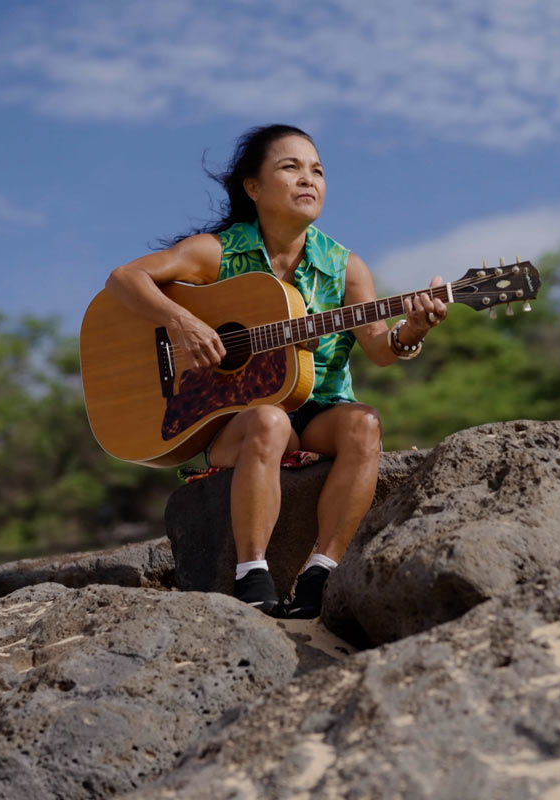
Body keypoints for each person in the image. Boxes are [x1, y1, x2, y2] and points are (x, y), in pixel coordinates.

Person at [105, 124, 447, 618]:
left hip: (318, 413)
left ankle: (321, 571)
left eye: (318, 171)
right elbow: (125, 278)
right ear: (253, 187)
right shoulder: (217, 252)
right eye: (291, 167)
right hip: (234, 421)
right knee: (270, 418)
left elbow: (380, 347)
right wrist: (180, 322)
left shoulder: (345, 268)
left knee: (364, 423)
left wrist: (412, 329)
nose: (309, 179)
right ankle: (253, 575)